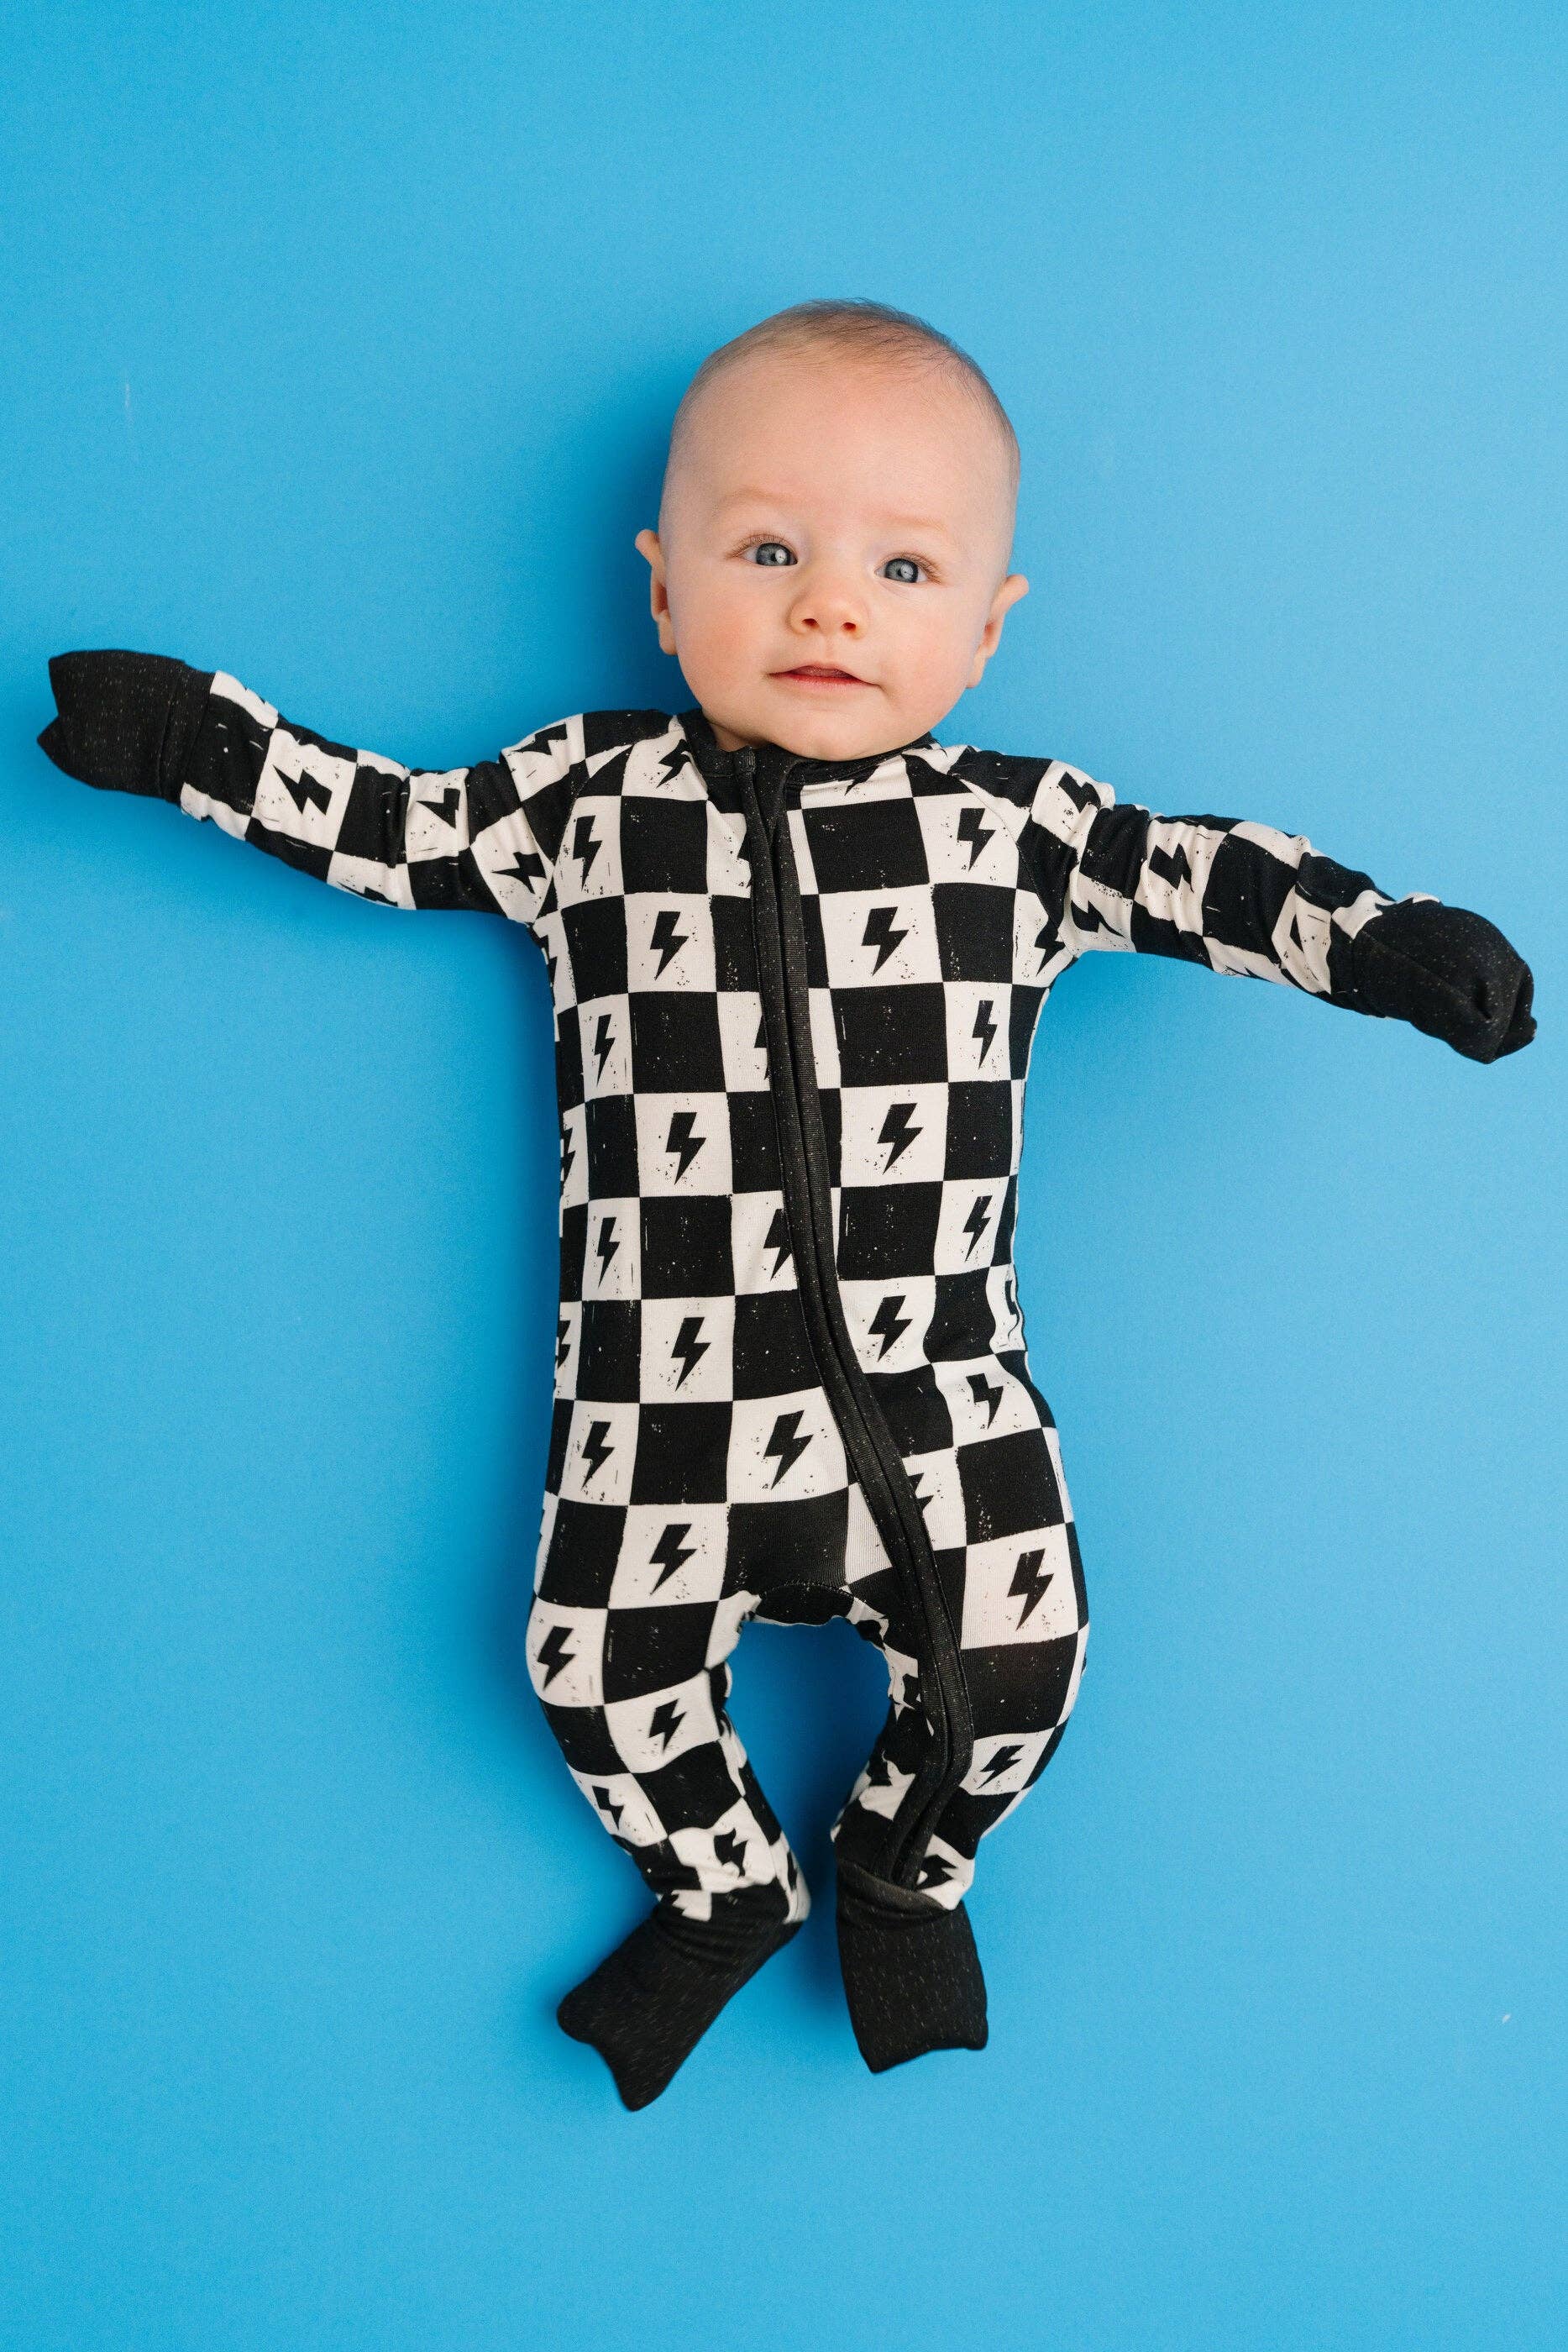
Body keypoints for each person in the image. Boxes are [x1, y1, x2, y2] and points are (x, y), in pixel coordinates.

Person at [34, 298, 1535, 2112]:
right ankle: (725, 1886)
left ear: (986, 628)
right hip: (658, 1419)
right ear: (665, 591)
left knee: (1020, 1670)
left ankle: (905, 1869)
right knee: (590, 1677)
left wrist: (1386, 945)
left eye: (902, 569)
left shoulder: (1016, 833)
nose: (830, 607)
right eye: (768, 552)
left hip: (935, 1404)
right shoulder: (585, 803)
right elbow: (395, 826)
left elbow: (1207, 874)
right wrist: (195, 741)